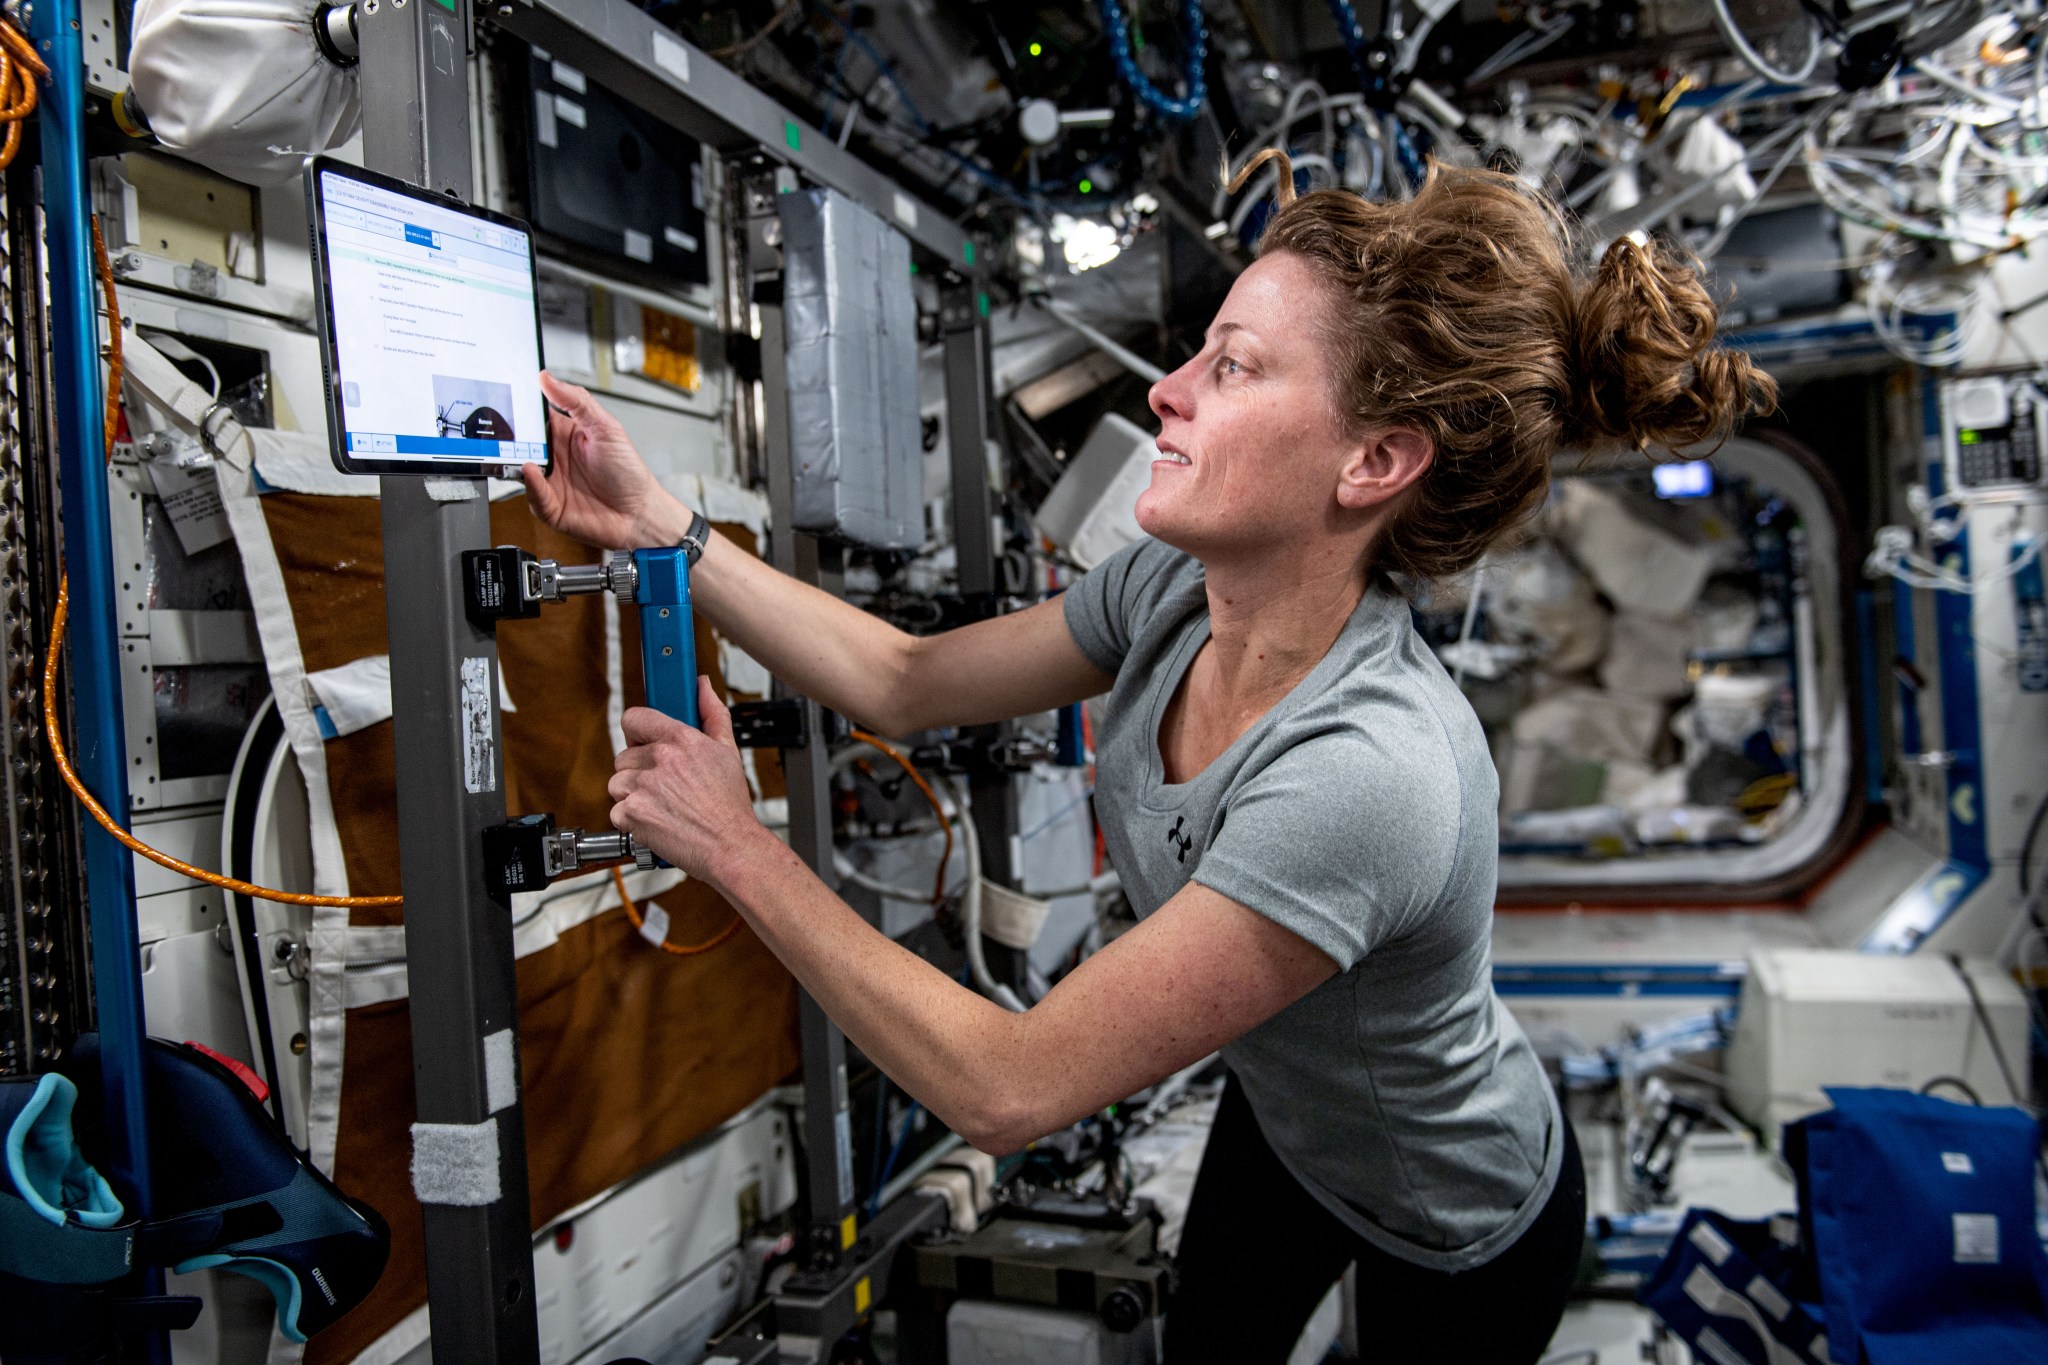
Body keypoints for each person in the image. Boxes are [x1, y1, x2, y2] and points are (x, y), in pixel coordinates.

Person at [524, 153, 1775, 1363]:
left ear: (1374, 462)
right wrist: (662, 525)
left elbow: (1005, 1089)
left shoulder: (1368, 772)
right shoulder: (1174, 590)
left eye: (1229, 368)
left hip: (1457, 1210)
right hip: (1283, 1127)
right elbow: (904, 683)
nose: (1165, 390)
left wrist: (735, 845)